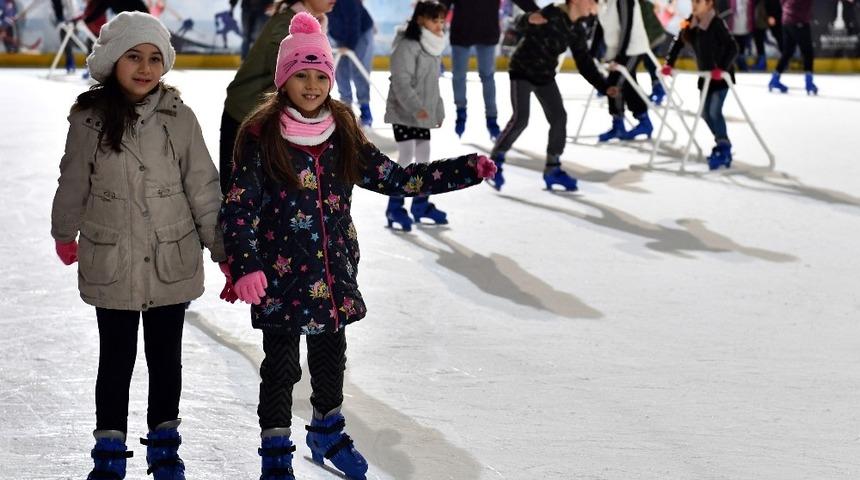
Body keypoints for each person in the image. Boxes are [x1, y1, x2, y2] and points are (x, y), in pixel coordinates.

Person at [218, 12, 497, 480]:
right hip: (280, 278)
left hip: (332, 275)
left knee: (331, 362)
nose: (312, 86)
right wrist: (245, 265)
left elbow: (396, 178)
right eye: (301, 75)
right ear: (283, 79)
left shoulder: (342, 131)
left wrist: (464, 169)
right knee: (281, 368)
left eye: (320, 76)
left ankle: (326, 432)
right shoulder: (261, 134)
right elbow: (239, 206)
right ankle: (275, 451)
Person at [49, 12, 227, 480]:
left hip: (172, 258)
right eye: (134, 57)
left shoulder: (179, 117)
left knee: (166, 360)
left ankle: (164, 446)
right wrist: (64, 232)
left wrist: (222, 249)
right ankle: (108, 448)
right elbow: (73, 181)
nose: (146, 68)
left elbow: (203, 186)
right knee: (116, 358)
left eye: (154, 58)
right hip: (113, 261)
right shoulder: (89, 119)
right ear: (112, 60)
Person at [489, 0, 614, 192]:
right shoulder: (552, 13)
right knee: (521, 119)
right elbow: (519, 21)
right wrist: (529, 18)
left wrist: (604, 87)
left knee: (559, 117)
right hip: (522, 70)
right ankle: (494, 163)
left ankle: (553, 168)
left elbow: (585, 63)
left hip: (545, 75)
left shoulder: (577, 29)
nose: (593, 5)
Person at [219, 0, 336, 196]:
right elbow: (291, 80)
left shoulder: (313, 23)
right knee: (238, 191)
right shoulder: (287, 26)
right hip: (245, 114)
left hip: (266, 114)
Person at [383, 1, 457, 230]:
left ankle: (420, 204)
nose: (439, 25)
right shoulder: (407, 45)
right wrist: (416, 108)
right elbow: (401, 81)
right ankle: (395, 206)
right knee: (406, 155)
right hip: (404, 111)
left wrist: (438, 110)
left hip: (422, 114)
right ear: (420, 20)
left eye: (441, 20)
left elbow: (433, 85)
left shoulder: (432, 46)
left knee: (424, 156)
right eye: (434, 20)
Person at [439, 0, 541, 139]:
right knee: (459, 76)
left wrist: (538, 11)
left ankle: (491, 118)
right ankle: (461, 112)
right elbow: (443, 4)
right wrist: (432, 18)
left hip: (486, 31)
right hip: (462, 31)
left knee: (487, 76)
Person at [663, 0, 739, 170]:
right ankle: (721, 142)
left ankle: (723, 146)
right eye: (692, 2)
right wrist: (669, 63)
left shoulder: (716, 23)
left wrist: (721, 68)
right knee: (705, 114)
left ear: (709, 4)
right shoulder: (690, 22)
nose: (694, 5)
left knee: (714, 111)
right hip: (705, 78)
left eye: (698, 2)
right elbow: (678, 41)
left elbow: (732, 47)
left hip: (720, 78)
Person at [595, 0, 655, 142]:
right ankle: (627, 123)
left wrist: (620, 57)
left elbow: (626, 26)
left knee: (617, 82)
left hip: (632, 48)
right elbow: (599, 26)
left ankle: (637, 122)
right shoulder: (603, 2)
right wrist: (592, 53)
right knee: (620, 83)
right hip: (615, 49)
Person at [327, 0, 375, 126]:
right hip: (339, 35)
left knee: (359, 69)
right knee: (340, 70)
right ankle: (346, 107)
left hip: (360, 32)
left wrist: (349, 45)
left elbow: (354, 21)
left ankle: (365, 108)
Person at [768, 0, 816, 94]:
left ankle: (774, 79)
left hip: (787, 21)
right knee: (808, 52)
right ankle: (809, 83)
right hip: (799, 21)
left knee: (788, 52)